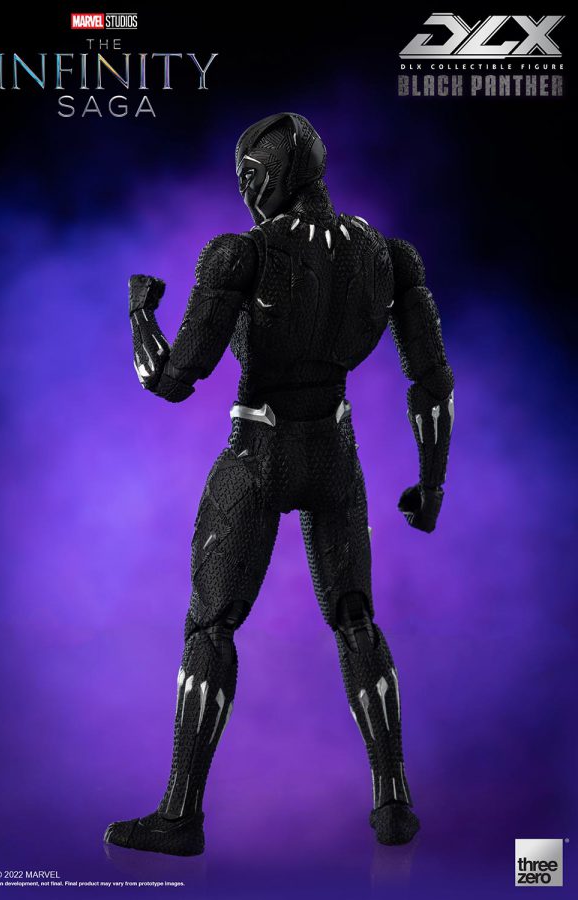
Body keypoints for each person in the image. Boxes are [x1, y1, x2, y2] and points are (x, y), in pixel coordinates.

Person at [104, 112, 454, 856]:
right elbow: (432, 381)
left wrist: (139, 312)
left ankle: (180, 814)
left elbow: (169, 380)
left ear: (263, 180)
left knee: (211, 625)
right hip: (334, 453)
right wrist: (431, 487)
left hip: (258, 450)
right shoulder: (386, 257)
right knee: (355, 620)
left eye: (248, 178)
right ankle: (393, 801)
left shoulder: (241, 253)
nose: (244, 191)